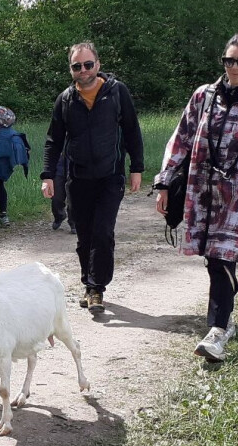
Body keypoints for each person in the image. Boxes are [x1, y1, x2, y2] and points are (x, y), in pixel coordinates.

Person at [154, 33, 238, 363]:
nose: (235, 67)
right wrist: (165, 182)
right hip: (201, 191)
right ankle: (224, 309)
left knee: (221, 258)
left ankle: (217, 329)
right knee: (212, 257)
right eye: (229, 60)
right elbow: (181, 140)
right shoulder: (204, 96)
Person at [41, 42, 144, 314]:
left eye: (88, 64)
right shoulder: (65, 100)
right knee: (84, 235)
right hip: (78, 178)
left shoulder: (116, 92)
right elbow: (53, 141)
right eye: (77, 66)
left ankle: (97, 287)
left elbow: (132, 130)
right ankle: (89, 284)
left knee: (102, 231)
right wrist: (47, 175)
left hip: (110, 176)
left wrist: (137, 167)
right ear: (71, 69)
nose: (83, 70)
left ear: (98, 65)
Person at [51, 153, 76, 234]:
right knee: (56, 197)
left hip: (75, 166)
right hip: (58, 166)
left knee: (73, 197)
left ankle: (74, 222)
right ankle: (59, 216)